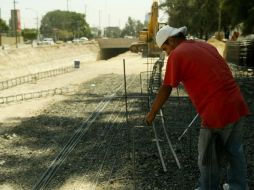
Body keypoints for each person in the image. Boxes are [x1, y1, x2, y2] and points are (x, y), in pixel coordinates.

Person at [145, 25, 250, 190]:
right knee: (235, 151)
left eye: (165, 48)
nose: (167, 53)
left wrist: (152, 113)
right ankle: (238, 186)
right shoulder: (205, 45)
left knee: (207, 157)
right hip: (236, 103)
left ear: (171, 40)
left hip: (216, 110)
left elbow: (166, 87)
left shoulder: (177, 54)